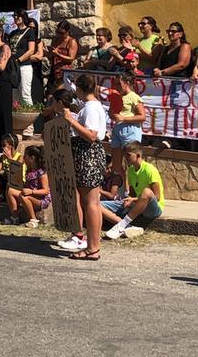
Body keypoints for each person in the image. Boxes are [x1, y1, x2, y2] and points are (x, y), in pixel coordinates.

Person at [57, 74, 109, 261]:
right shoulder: (89, 106)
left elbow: (92, 135)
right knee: (91, 203)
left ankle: (92, 247)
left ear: (79, 88)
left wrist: (71, 120)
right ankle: (93, 245)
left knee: (91, 203)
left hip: (88, 154)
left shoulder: (92, 107)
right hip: (85, 154)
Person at [102, 140, 165, 240]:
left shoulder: (150, 169)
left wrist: (133, 200)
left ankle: (121, 225)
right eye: (125, 155)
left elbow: (157, 197)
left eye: (128, 155)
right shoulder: (131, 170)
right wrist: (129, 200)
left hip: (153, 208)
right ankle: (127, 227)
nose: (125, 158)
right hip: (137, 205)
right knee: (98, 204)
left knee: (146, 192)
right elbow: (132, 194)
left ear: (138, 155)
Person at [109, 73, 145, 189]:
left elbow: (142, 116)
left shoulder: (134, 97)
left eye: (119, 84)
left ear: (127, 83)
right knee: (116, 163)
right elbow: (112, 112)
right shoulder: (117, 96)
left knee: (132, 161)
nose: (117, 86)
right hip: (117, 129)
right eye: (116, 84)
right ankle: (123, 189)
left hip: (130, 129)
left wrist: (124, 118)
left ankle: (134, 188)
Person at [4, 145, 50, 228]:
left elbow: (45, 191)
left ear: (32, 158)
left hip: (40, 199)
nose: (23, 157)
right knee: (11, 190)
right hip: (29, 194)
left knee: (24, 196)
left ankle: (33, 219)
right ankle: (14, 217)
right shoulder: (29, 170)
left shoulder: (41, 173)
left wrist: (31, 192)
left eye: (25, 156)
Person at [14, 16, 43, 106]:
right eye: (29, 27)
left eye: (34, 28)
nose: (31, 29)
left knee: (28, 94)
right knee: (17, 94)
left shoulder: (38, 41)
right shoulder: (21, 39)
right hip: (20, 66)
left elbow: (39, 56)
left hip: (33, 69)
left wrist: (24, 56)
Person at [48, 21, 79, 95]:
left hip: (64, 71)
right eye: (58, 32)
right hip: (54, 69)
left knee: (62, 93)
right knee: (50, 93)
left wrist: (58, 54)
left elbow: (71, 58)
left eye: (62, 33)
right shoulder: (55, 40)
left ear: (67, 32)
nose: (60, 35)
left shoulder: (71, 42)